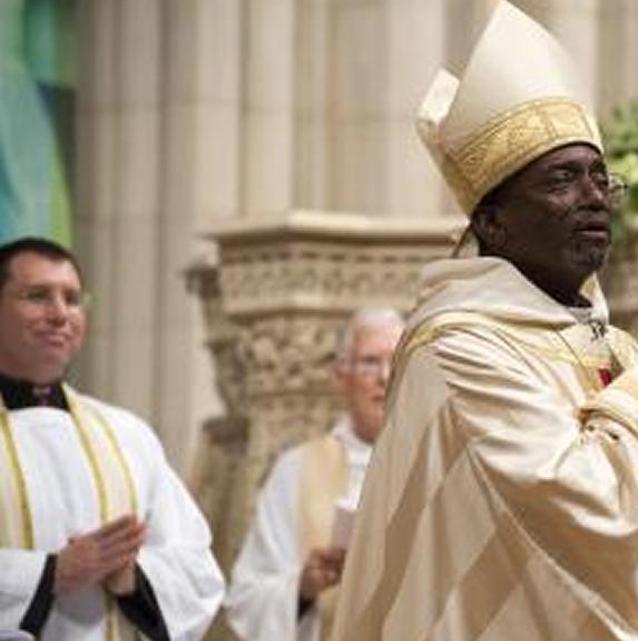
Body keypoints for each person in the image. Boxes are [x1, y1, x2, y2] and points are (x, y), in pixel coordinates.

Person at [330, 3, 638, 641]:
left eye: (601, 177)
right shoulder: (459, 347)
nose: (594, 196)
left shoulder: (624, 350)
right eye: (562, 180)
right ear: (491, 221)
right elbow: (593, 511)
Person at [0, 237, 224, 640]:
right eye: (37, 296)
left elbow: (198, 570)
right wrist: (50, 573)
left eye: (71, 299)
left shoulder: (126, 436)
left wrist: (133, 578)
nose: (59, 314)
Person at [225, 308, 405, 641]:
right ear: (341, 375)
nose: (384, 376)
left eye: (396, 362)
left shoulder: (433, 464)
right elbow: (247, 599)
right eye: (369, 362)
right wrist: (303, 588)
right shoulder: (295, 471)